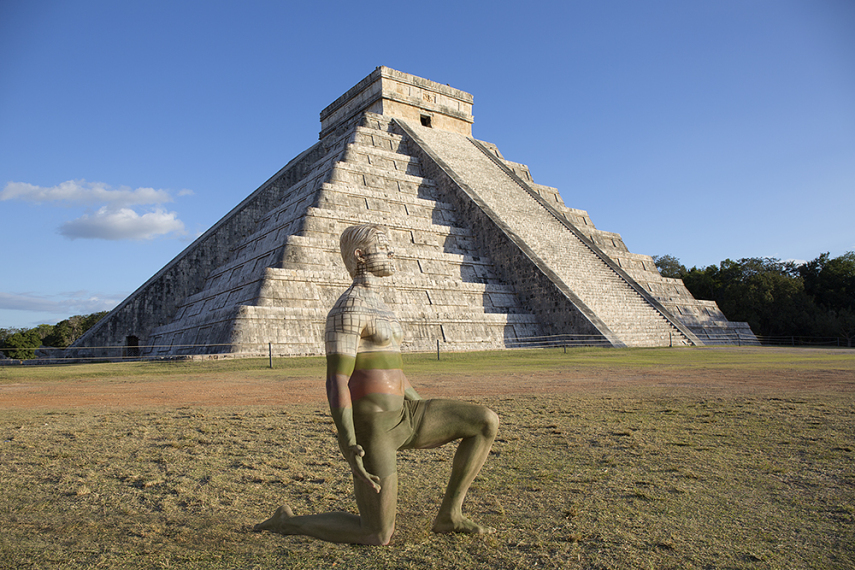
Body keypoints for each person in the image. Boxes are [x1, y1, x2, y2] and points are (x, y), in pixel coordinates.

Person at [254, 224, 499, 545]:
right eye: (384, 248)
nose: (392, 253)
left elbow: (393, 370)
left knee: (484, 421)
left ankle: (449, 515)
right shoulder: (347, 309)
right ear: (360, 255)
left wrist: (421, 404)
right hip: (374, 428)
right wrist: (347, 439)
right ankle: (287, 522)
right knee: (377, 533)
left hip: (407, 414)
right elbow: (337, 379)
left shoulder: (382, 307)